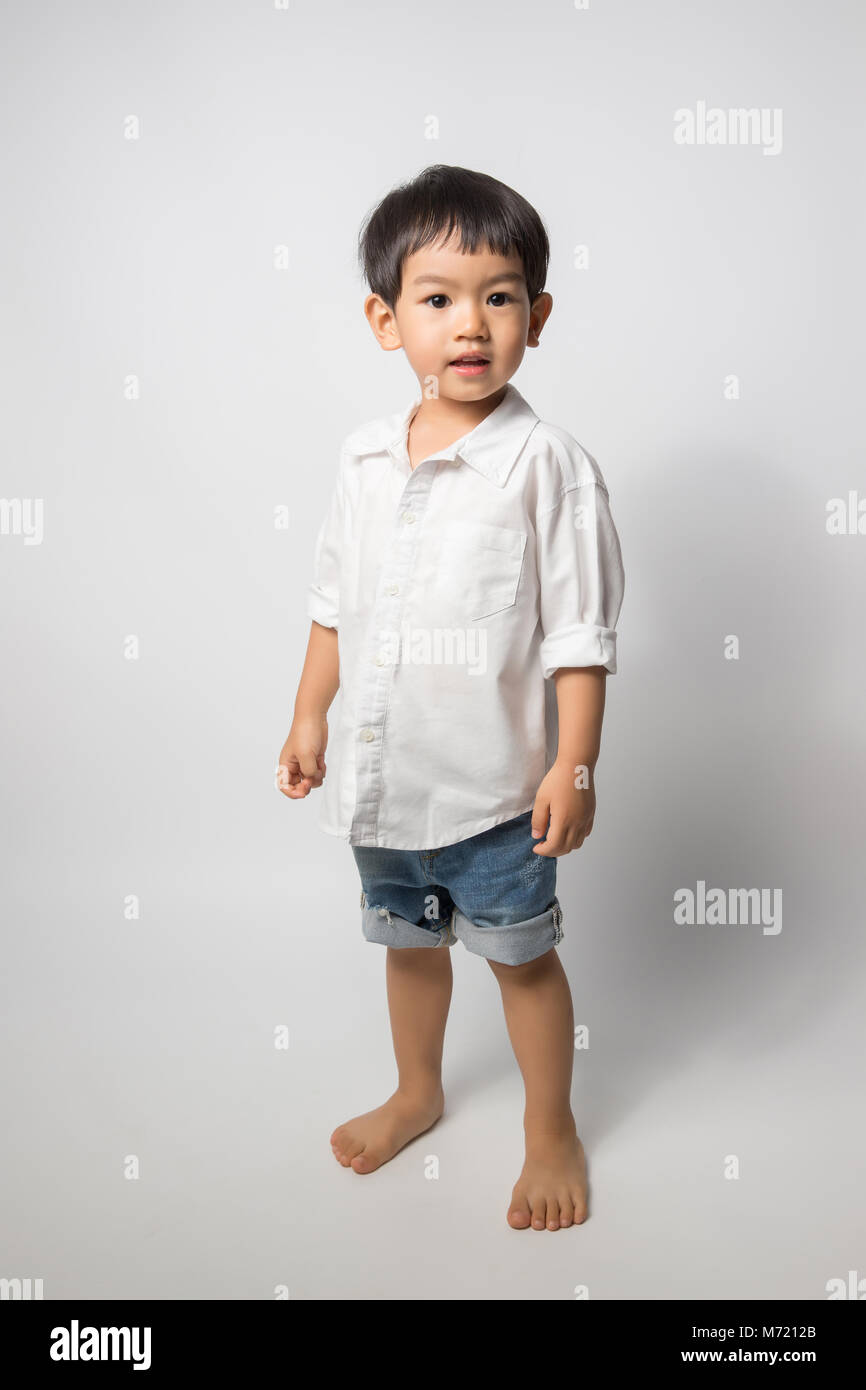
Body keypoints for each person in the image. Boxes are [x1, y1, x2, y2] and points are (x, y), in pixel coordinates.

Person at [277, 164, 625, 1231]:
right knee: (410, 946)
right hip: (389, 785)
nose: (468, 323)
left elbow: (579, 639)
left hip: (492, 796)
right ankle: (418, 1090)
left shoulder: (546, 468)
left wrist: (573, 762)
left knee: (521, 963)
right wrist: (307, 714)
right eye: (436, 298)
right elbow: (335, 601)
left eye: (499, 295)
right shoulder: (363, 458)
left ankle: (547, 1125)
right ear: (386, 320)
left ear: (537, 314)